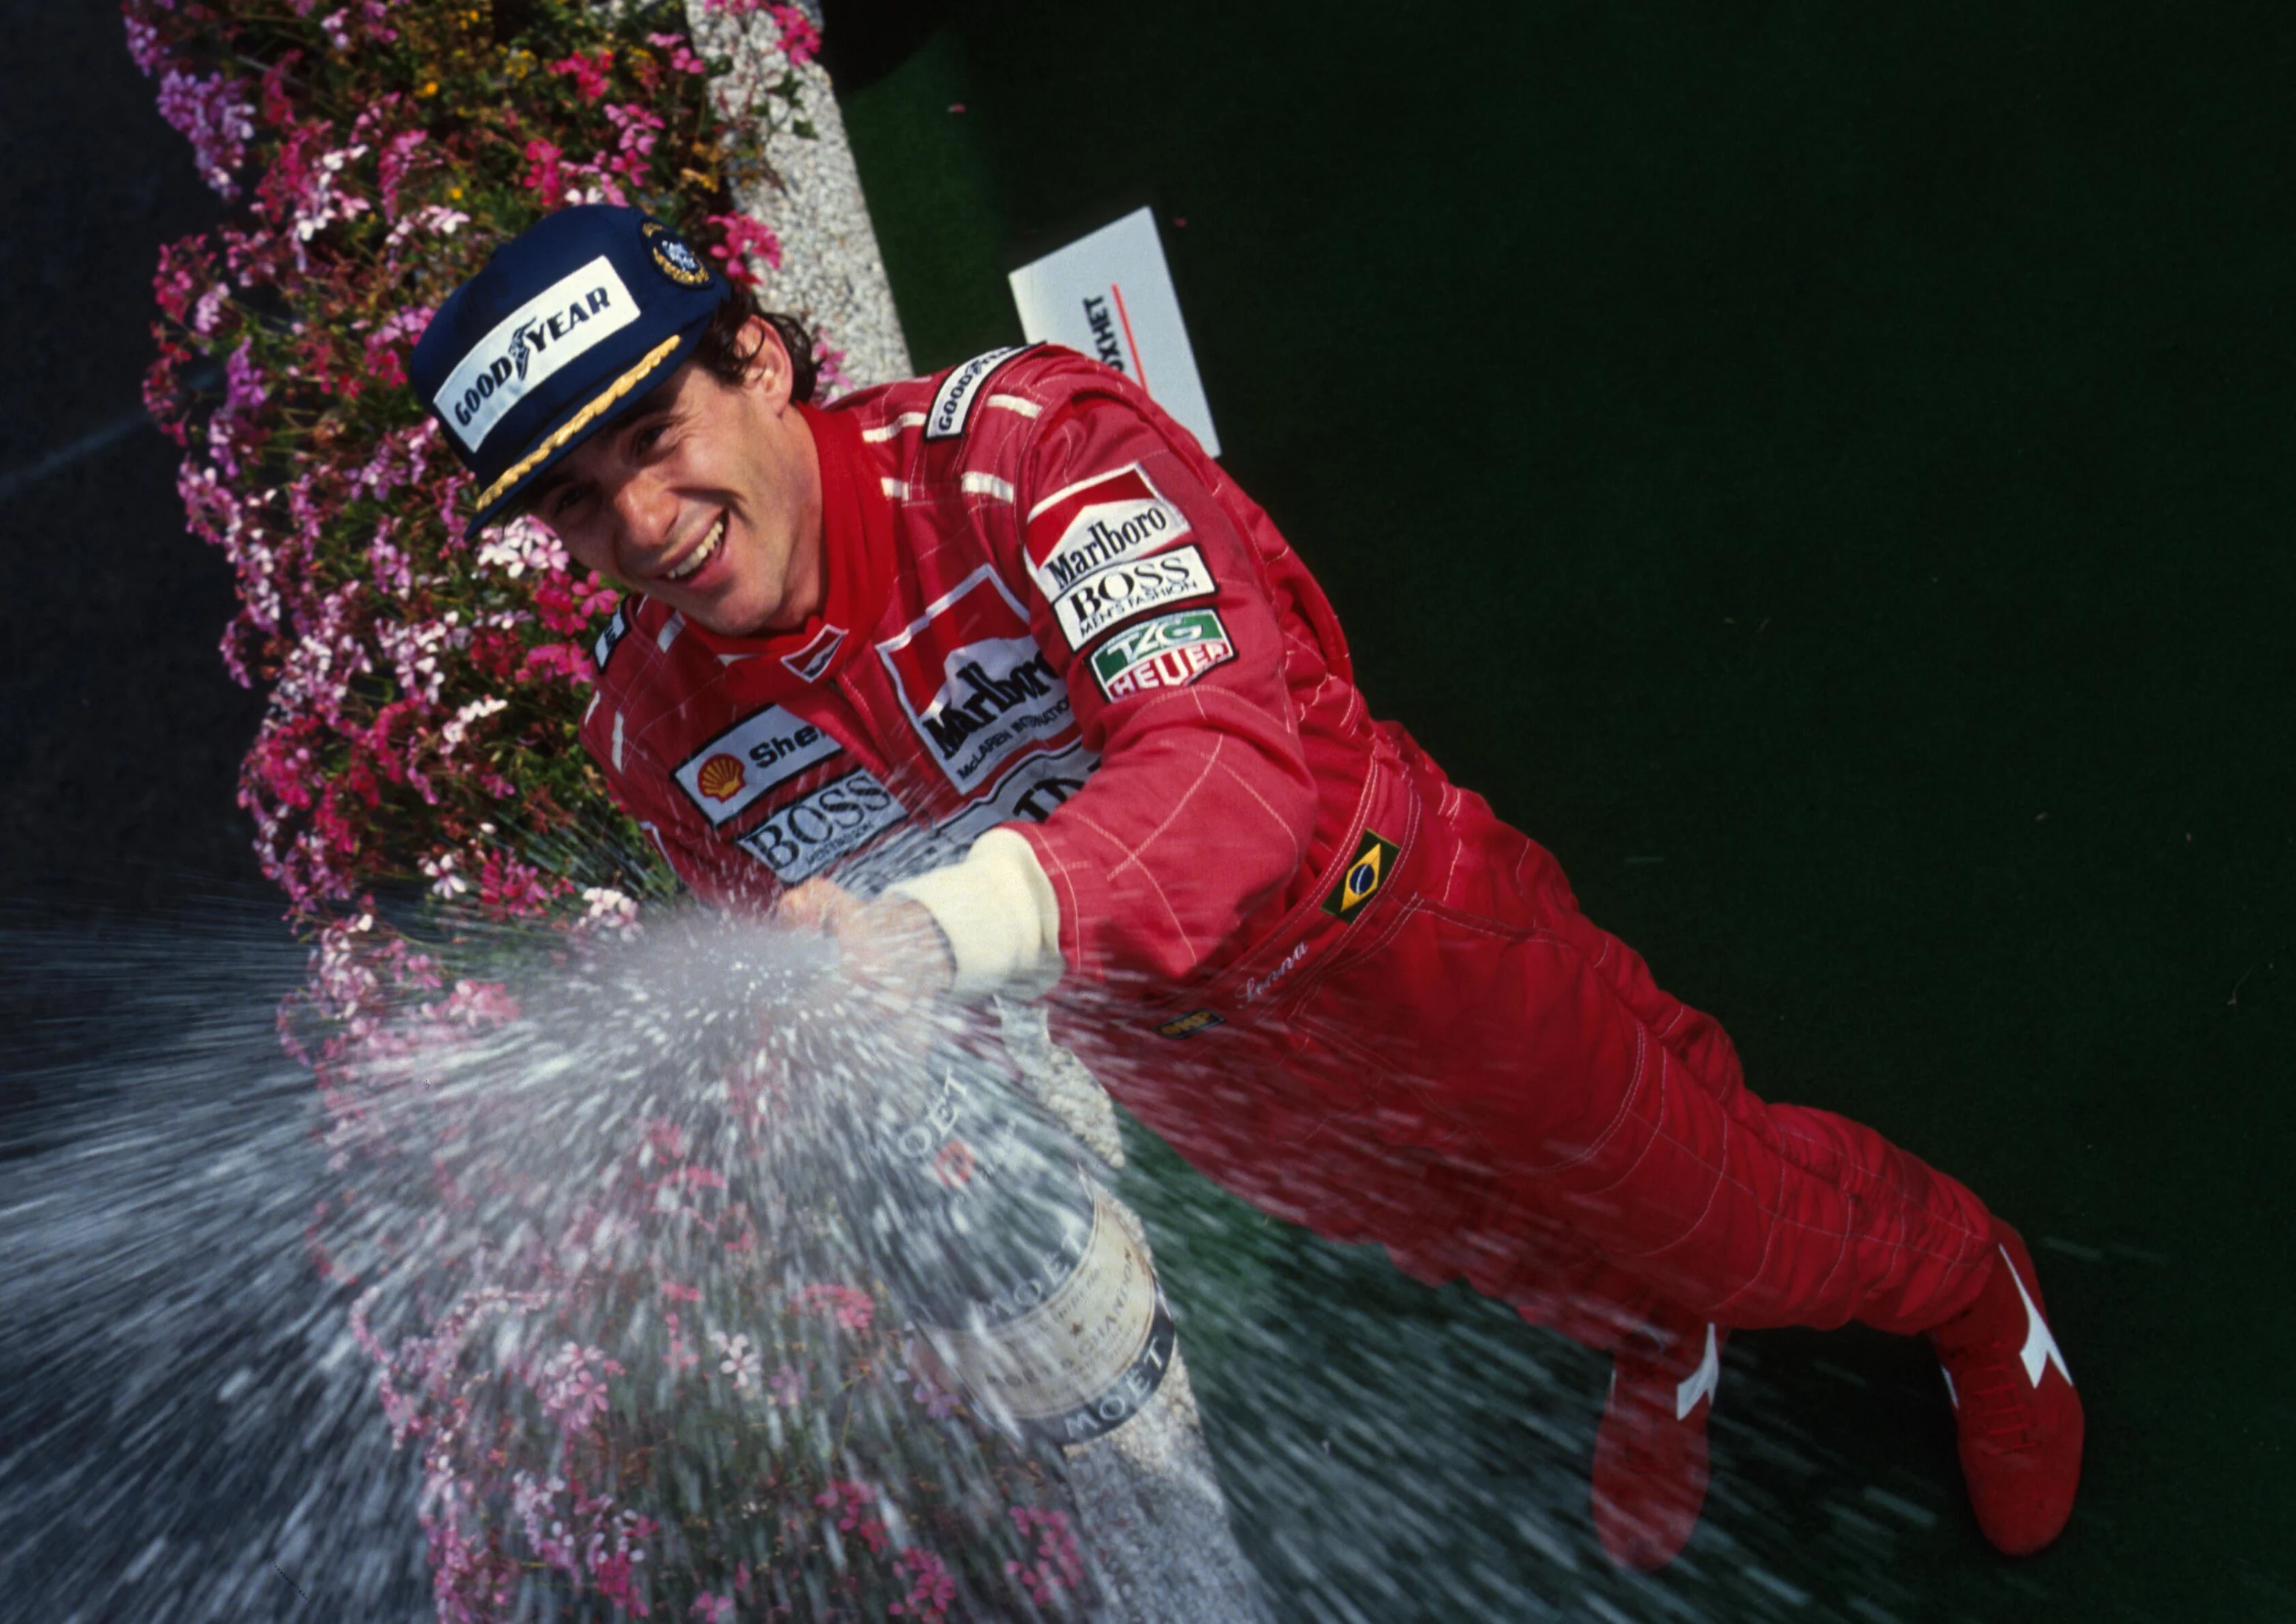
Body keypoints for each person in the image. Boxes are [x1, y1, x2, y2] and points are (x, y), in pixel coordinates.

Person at [409, 205, 2083, 1568]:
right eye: (573, 501)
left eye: (653, 431)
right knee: (1466, 1242)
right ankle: (1653, 1331)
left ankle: (1964, 1288)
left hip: (1395, 930)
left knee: (1726, 1214)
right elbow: (825, 953)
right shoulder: (653, 733)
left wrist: (932, 935)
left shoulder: (1022, 445)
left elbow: (1226, 775)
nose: (639, 520)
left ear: (759, 359)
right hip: (1180, 1061)